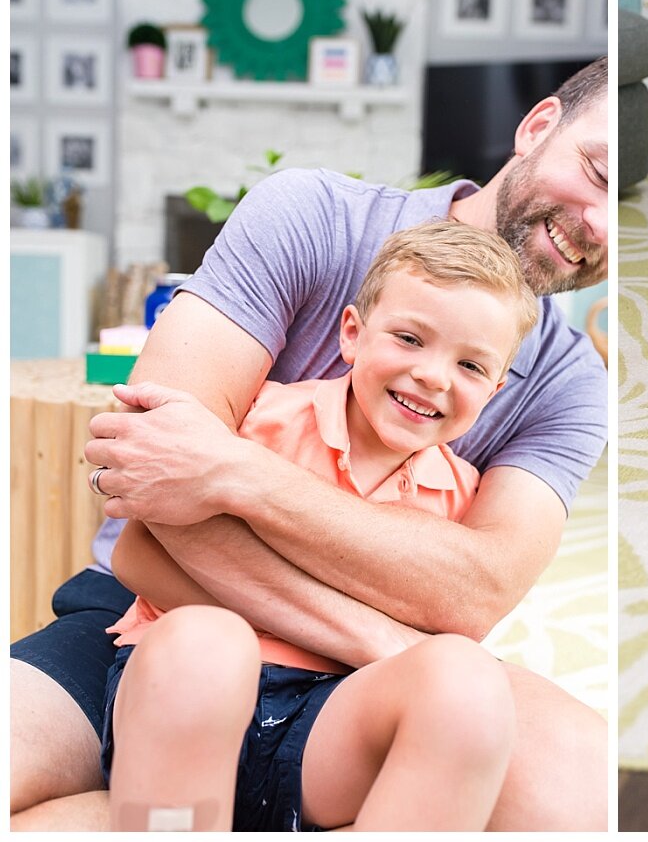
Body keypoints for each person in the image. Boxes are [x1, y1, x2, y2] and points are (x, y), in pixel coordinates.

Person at [11, 60, 609, 831]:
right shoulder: (314, 216)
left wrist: (236, 474)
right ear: (537, 127)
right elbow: (146, 474)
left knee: (582, 792)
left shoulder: (567, 382)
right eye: (593, 171)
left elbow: (472, 593)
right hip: (149, 620)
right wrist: (381, 627)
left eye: (469, 366)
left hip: (363, 683)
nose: (598, 224)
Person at [103, 223, 539, 830]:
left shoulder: (461, 503)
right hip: (181, 703)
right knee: (207, 643)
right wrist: (337, 633)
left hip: (325, 728)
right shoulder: (267, 421)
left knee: (466, 678)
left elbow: (430, 651)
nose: (435, 376)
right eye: (410, 338)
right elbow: (135, 554)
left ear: (494, 390)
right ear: (353, 334)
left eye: (469, 365)